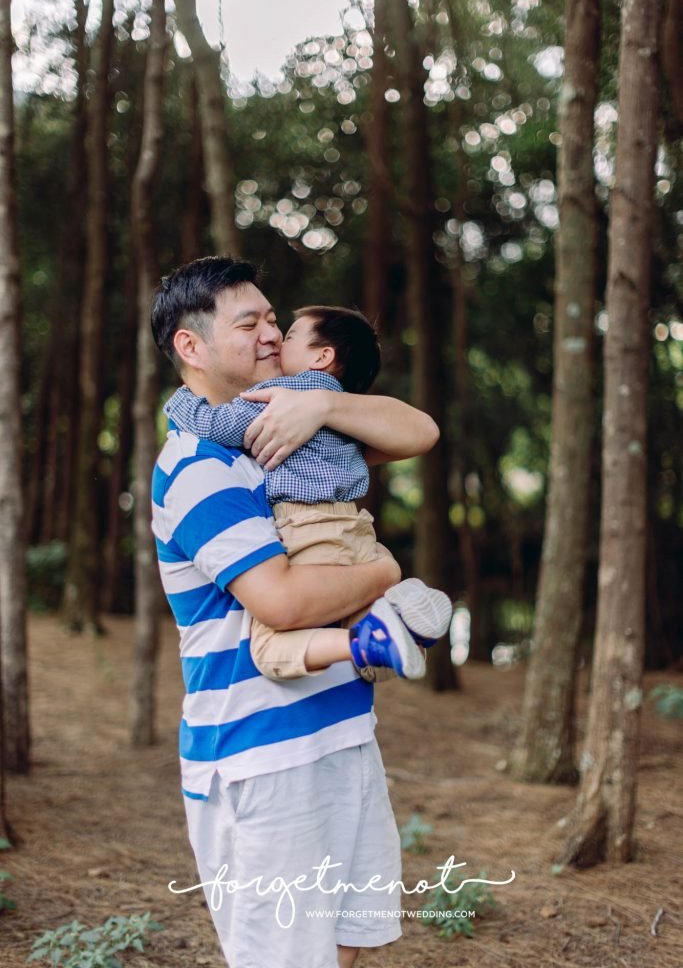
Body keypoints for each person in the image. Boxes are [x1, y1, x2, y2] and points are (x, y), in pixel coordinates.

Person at [150, 256, 441, 968]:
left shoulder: (287, 435)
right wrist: (384, 570)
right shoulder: (197, 466)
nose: (271, 334)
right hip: (262, 756)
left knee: (343, 946)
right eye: (248, 323)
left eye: (274, 319)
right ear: (192, 347)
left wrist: (323, 403)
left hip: (340, 731)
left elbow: (417, 430)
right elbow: (277, 601)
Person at [164, 303, 451, 682]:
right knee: (374, 665)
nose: (276, 337)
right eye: (251, 324)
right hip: (356, 531)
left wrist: (181, 399)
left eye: (288, 332)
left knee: (269, 651)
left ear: (322, 356)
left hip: (310, 528)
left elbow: (216, 424)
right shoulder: (347, 423)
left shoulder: (281, 401)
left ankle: (370, 637)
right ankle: (397, 620)